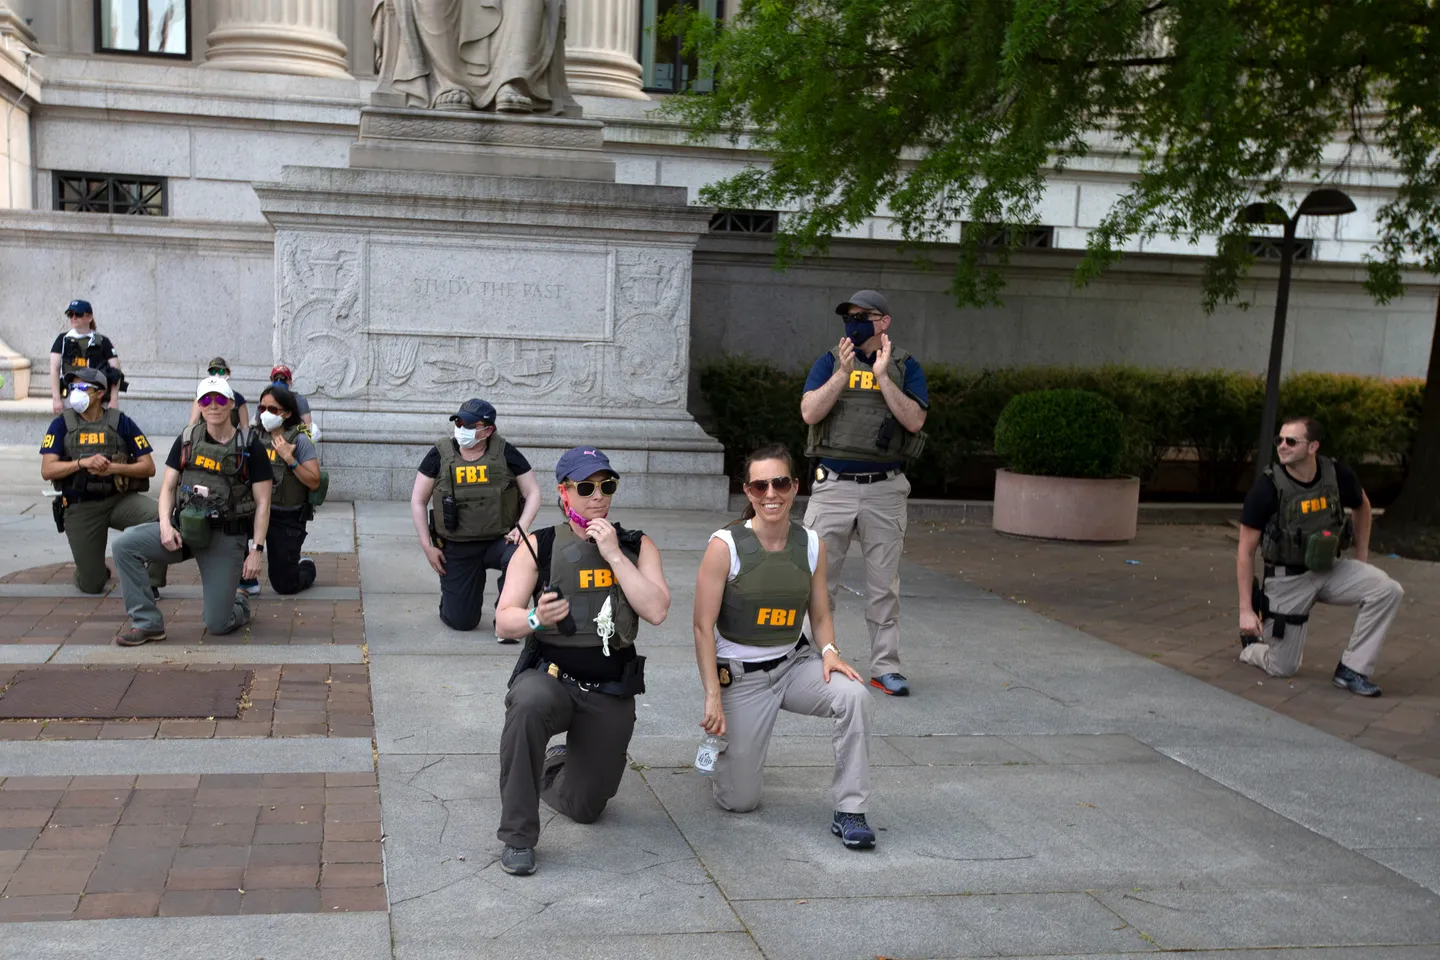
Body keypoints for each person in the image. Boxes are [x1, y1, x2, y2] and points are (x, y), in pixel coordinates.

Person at [492, 447, 671, 876]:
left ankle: (552, 765)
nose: (598, 496)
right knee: (528, 704)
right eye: (586, 487)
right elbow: (504, 617)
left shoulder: (635, 545)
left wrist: (612, 554)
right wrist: (535, 618)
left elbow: (657, 609)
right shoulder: (541, 544)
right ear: (564, 491)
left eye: (607, 486)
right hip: (551, 681)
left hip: (608, 690)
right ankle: (517, 836)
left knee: (587, 807)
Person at [694, 443, 876, 849]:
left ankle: (851, 809)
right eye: (761, 486)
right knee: (739, 801)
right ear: (749, 492)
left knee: (854, 696)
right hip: (741, 679)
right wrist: (713, 696)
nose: (770, 493)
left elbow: (821, 612)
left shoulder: (811, 544)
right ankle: (729, 754)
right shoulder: (724, 546)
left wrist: (830, 652)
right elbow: (703, 627)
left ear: (795, 486)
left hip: (793, 666)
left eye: (779, 483)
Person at [800, 289, 929, 697]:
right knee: (818, 581)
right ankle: (808, 658)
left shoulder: (905, 366)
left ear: (884, 322)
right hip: (833, 487)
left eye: (863, 316)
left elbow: (913, 421)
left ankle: (885, 667)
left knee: (883, 586)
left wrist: (883, 377)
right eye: (849, 317)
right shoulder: (829, 360)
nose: (854, 324)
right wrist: (841, 373)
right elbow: (809, 413)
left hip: (885, 489)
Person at [1237, 417, 1404, 697]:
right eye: (1279, 440)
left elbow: (1362, 505)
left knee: (1387, 590)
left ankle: (1352, 669)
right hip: (1286, 580)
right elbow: (1245, 550)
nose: (1283, 446)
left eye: (1291, 441)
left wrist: (1362, 559)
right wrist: (1245, 610)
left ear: (1313, 446)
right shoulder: (1267, 488)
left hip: (1330, 568)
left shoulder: (1336, 474)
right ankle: (1252, 645)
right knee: (1283, 667)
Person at [110, 376, 272, 646]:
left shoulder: (250, 446)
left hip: (224, 536)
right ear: (198, 405)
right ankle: (147, 623)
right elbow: (168, 487)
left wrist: (256, 551)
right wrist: (164, 524)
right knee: (125, 545)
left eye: (220, 399)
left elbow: (264, 503)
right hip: (184, 530)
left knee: (217, 624)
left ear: (232, 403)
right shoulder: (187, 439)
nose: (213, 405)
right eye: (206, 399)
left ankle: (240, 602)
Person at [409, 398, 542, 635]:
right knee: (462, 622)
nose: (462, 428)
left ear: (488, 430)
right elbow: (418, 501)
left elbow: (533, 492)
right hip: (457, 546)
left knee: (523, 554)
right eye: (459, 422)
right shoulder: (439, 454)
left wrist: (521, 528)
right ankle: (452, 601)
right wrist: (426, 546)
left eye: (470, 425)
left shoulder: (505, 453)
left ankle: (507, 616)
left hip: (500, 541)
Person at [38, 367, 166, 595]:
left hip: (119, 501)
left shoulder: (121, 422)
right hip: (81, 506)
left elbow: (149, 467)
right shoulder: (61, 424)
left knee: (162, 519)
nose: (74, 392)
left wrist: (113, 468)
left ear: (99, 393)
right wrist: (82, 463)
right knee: (92, 585)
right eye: (72, 387)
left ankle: (150, 581)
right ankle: (93, 570)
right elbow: (47, 470)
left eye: (81, 387)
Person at [256, 385, 322, 595]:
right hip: (255, 511)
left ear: (287, 413)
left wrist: (289, 459)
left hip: (285, 516)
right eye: (262, 408)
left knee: (285, 585)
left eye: (273, 410)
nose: (266, 414)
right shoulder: (254, 438)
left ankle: (305, 566)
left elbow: (314, 481)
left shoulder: (299, 440)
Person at [49, 299, 124, 410]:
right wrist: (56, 399)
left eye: (78, 314)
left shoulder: (102, 341)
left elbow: (116, 373)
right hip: (69, 398)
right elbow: (54, 370)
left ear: (89, 318)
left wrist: (113, 400)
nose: (73, 317)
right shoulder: (63, 340)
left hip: (96, 398)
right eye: (70, 314)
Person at [188, 356, 250, 432]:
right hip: (205, 438)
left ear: (228, 373)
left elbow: (245, 427)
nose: (216, 375)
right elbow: (193, 423)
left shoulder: (238, 398)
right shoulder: (201, 396)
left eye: (221, 371)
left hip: (230, 438)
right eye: (212, 372)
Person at [267, 365, 316, 433]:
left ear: (290, 381)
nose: (279, 382)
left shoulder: (299, 400)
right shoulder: (265, 399)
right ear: (271, 380)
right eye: (275, 378)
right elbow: (257, 421)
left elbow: (308, 427)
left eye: (283, 379)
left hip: (293, 437)